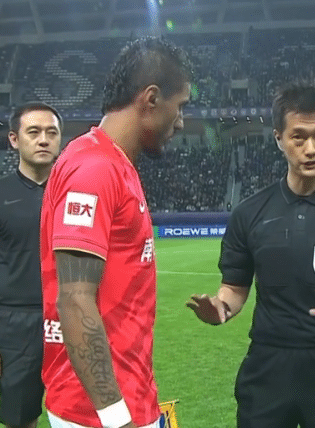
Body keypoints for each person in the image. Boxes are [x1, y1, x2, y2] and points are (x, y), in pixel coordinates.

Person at [187, 82, 315, 428]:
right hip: (267, 367)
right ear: (279, 138)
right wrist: (221, 308)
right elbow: (234, 288)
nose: (310, 149)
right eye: (298, 137)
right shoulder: (249, 213)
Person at [40, 37, 191, 428]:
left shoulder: (115, 164)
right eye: (180, 106)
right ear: (151, 99)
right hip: (95, 413)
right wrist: (115, 418)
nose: (180, 121)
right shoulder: (94, 169)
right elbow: (74, 300)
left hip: (126, 399)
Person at [0, 102, 62, 428]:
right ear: (14, 139)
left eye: (51, 132)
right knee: (20, 420)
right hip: (17, 325)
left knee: (84, 416)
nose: (43, 139)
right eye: (34, 132)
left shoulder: (77, 193)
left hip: (73, 316)